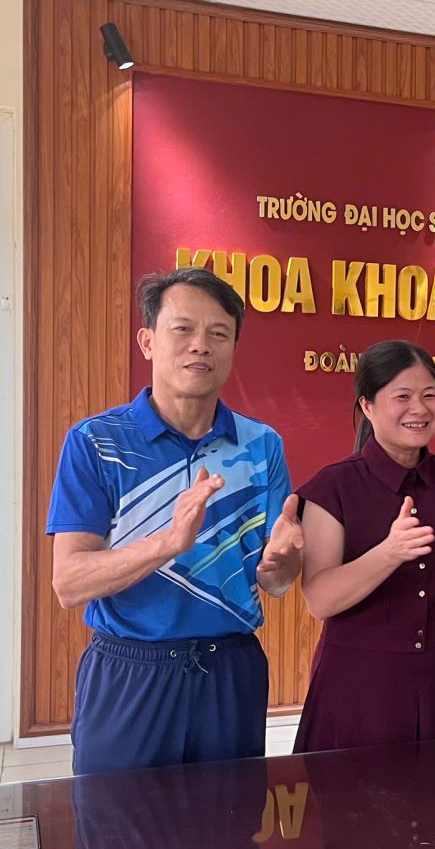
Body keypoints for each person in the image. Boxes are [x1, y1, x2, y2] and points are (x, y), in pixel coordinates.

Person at [47, 268, 303, 775]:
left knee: (229, 820)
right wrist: (169, 541)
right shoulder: (96, 442)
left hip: (231, 672)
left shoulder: (262, 445)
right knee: (117, 820)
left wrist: (285, 563)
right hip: (131, 672)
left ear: (233, 349)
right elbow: (69, 583)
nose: (200, 345)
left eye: (218, 333)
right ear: (147, 341)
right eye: (182, 329)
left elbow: (274, 583)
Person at [294, 341, 435, 752]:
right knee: (347, 792)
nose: (419, 409)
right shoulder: (333, 487)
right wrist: (389, 553)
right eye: (403, 397)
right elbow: (319, 600)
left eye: (429, 395)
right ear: (368, 406)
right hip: (356, 688)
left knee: (434, 790)